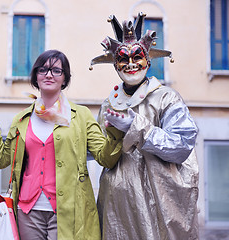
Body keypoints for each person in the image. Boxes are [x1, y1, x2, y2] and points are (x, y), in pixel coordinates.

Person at [0, 49, 123, 239]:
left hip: (69, 210)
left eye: (56, 70)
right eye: (43, 70)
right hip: (28, 211)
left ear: (64, 79)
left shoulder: (81, 116)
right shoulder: (21, 119)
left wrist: (116, 132)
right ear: (36, 77)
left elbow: (105, 157)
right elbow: (1, 160)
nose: (49, 74)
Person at [89, 13, 199, 239]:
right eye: (122, 58)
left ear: (148, 60)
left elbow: (181, 146)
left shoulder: (168, 98)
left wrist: (136, 127)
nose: (130, 64)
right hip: (116, 211)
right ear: (114, 64)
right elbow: (97, 152)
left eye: (136, 57)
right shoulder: (108, 105)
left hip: (156, 210)